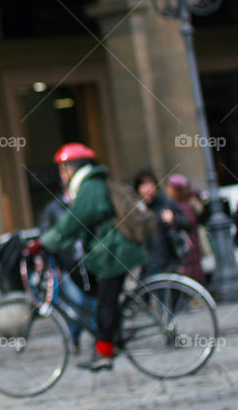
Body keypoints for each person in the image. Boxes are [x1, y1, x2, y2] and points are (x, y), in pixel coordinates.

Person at [34, 143, 148, 371]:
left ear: (72, 168)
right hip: (109, 251)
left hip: (113, 253)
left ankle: (104, 353)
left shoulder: (90, 186)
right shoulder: (90, 184)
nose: (61, 174)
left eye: (62, 168)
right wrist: (58, 241)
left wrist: (46, 241)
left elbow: (75, 219)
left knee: (105, 304)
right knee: (103, 299)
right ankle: (110, 338)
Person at [38, 187, 95, 354]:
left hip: (88, 263)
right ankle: (75, 339)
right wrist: (52, 263)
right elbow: (47, 235)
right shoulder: (53, 209)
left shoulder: (83, 204)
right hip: (67, 265)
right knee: (76, 303)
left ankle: (97, 340)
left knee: (92, 303)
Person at [135, 170, 188, 277]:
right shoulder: (136, 209)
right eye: (144, 185)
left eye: (150, 184)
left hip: (170, 262)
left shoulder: (166, 202)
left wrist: (173, 219)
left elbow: (186, 223)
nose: (148, 188)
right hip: (147, 264)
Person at [165, 174, 206, 284]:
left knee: (192, 274)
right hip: (188, 245)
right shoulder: (180, 203)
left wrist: (173, 220)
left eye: (169, 187)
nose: (167, 190)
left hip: (188, 246)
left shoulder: (183, 205)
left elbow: (188, 222)